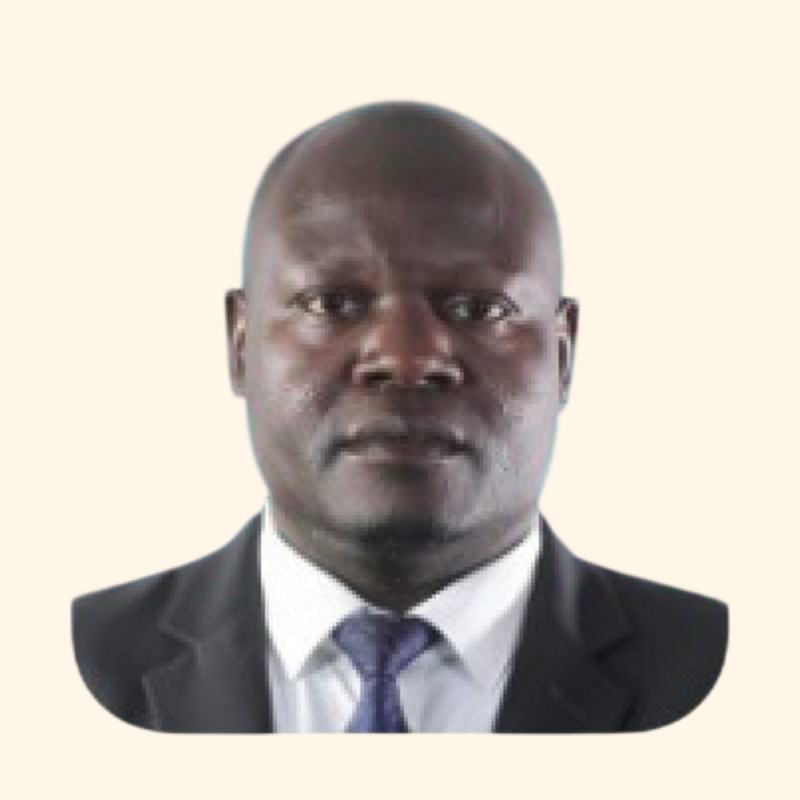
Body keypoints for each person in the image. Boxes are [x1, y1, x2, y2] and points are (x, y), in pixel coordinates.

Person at [72, 102, 728, 733]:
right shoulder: (78, 664)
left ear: (563, 355)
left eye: (479, 309)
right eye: (332, 303)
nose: (407, 359)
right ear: (240, 344)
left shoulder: (721, 671)